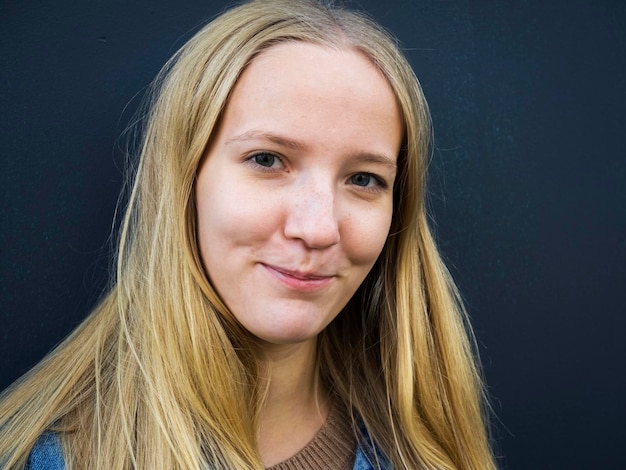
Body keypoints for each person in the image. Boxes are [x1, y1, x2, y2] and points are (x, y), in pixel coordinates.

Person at [0, 0, 496, 468]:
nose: (318, 229)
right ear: (185, 178)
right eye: (267, 160)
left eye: (363, 179)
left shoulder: (426, 446)